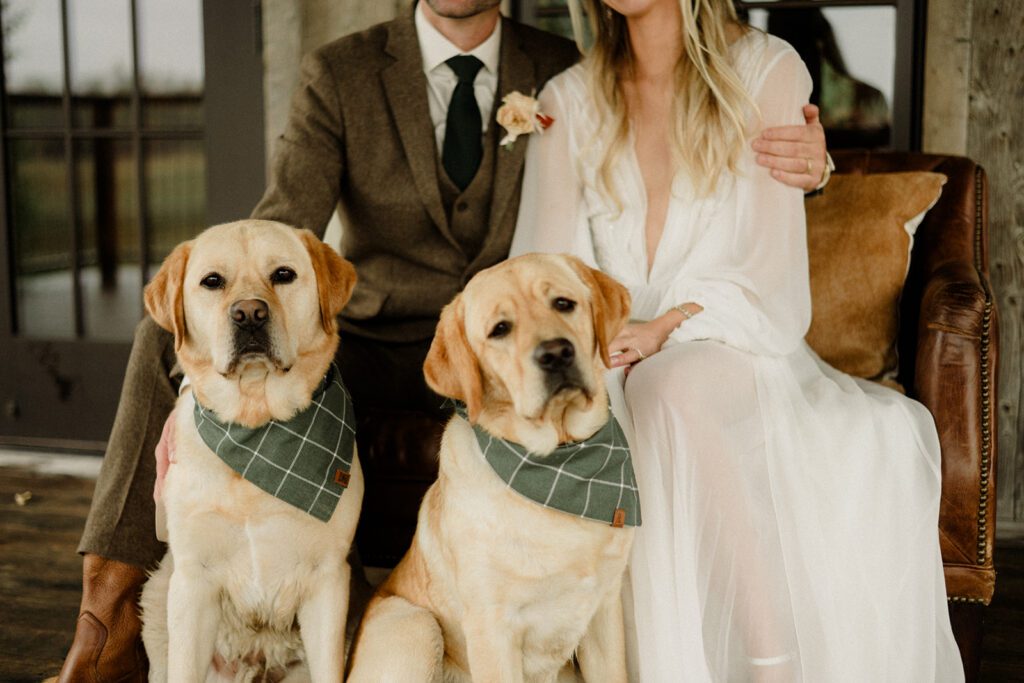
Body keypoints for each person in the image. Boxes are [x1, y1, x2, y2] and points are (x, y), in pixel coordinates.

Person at [51, 2, 827, 681]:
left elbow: (668, 144)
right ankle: (104, 626)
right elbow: (276, 234)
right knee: (161, 339)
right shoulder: (342, 72)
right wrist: (201, 380)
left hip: (507, 345)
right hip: (375, 346)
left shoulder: (560, 67)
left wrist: (815, 164)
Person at [511, 0, 963, 681]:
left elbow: (768, 276)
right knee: (606, 395)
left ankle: (770, 659)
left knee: (670, 384)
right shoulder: (566, 101)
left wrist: (665, 327)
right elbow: (546, 271)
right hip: (612, 350)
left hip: (741, 341)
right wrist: (603, 339)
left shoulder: (767, 70)